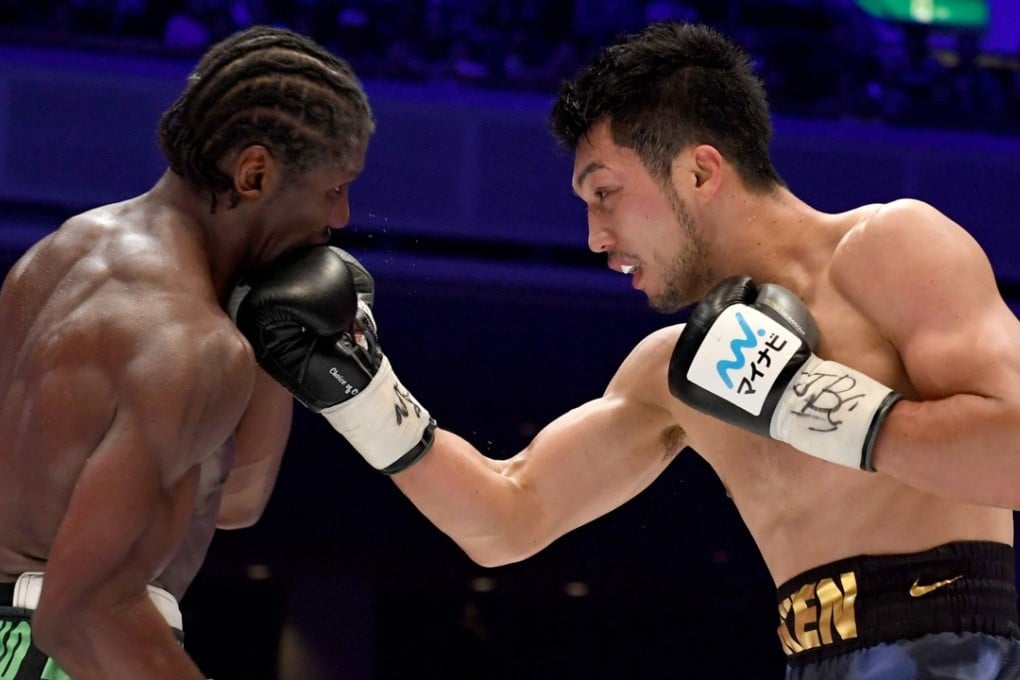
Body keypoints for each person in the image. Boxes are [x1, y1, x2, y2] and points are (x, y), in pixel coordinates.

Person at [236, 21, 1020, 679]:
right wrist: (364, 393)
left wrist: (808, 402)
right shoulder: (672, 371)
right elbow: (509, 516)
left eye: (605, 192)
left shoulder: (889, 249)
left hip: (958, 651)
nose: (595, 237)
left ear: (700, 170)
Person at [0, 25, 374, 679]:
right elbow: (83, 613)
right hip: (59, 650)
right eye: (333, 188)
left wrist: (271, 345)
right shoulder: (189, 344)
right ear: (254, 173)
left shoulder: (58, 254)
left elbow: (231, 503)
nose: (341, 217)